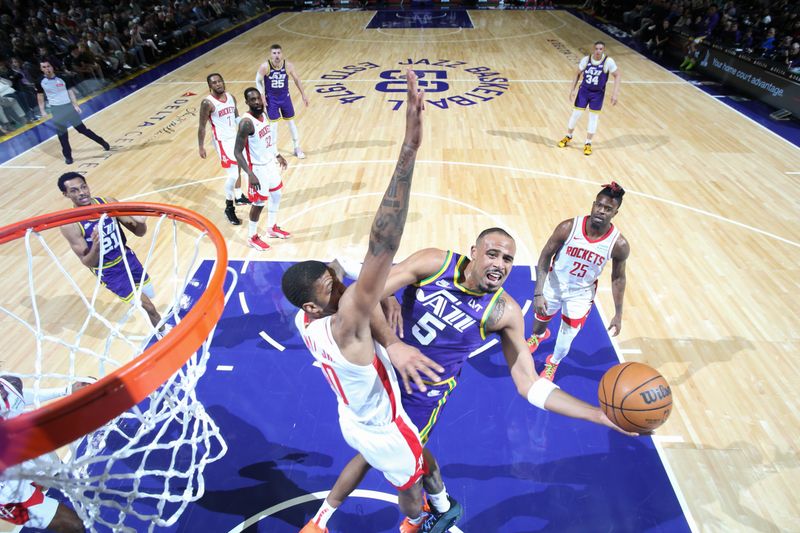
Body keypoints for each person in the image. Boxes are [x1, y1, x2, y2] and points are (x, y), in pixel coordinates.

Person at [306, 222, 639, 532]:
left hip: (422, 396)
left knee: (392, 463)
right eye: (492, 253)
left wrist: (597, 414)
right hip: (382, 375)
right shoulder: (435, 263)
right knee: (384, 451)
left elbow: (529, 383)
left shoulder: (503, 312)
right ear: (474, 251)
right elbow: (368, 291)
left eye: (508, 259)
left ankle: (411, 520)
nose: (500, 264)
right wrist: (390, 307)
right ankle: (436, 504)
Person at [283, 70, 462, 533]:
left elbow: (343, 271)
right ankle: (414, 523)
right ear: (314, 306)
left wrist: (376, 309)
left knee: (373, 457)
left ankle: (320, 521)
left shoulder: (308, 323)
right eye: (330, 287)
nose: (340, 286)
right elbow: (381, 245)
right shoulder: (347, 321)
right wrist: (409, 149)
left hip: (352, 418)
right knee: (411, 480)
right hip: (385, 425)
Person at [527, 182, 630, 382]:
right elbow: (545, 256)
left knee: (567, 336)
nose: (601, 211)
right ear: (593, 204)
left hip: (581, 294)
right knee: (540, 318)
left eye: (608, 209)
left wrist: (618, 314)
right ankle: (538, 336)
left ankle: (553, 363)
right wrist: (538, 292)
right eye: (599, 205)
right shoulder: (568, 227)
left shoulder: (618, 244)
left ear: (615, 213)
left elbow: (618, 278)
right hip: (555, 283)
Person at [58, 173, 163, 330]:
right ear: (66, 194)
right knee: (149, 307)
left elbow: (139, 232)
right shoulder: (70, 225)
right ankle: (163, 332)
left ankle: (155, 319)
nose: (81, 193)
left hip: (127, 257)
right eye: (74, 191)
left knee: (150, 293)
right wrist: (96, 246)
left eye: (83, 187)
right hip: (109, 271)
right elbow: (87, 262)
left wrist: (140, 223)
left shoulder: (108, 203)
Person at [1, 375, 89, 532]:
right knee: (72, 524)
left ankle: (44, 481)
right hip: (6, 491)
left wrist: (67, 391)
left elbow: (16, 398)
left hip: (11, 455)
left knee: (58, 475)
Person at [233, 87, 291, 251]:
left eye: (258, 98)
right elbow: (237, 152)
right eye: (252, 100)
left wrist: (277, 154)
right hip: (257, 170)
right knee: (259, 204)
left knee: (277, 194)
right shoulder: (246, 123)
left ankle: (271, 228)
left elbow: (268, 139)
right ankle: (252, 237)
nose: (257, 102)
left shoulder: (263, 114)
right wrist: (249, 174)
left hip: (269, 164)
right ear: (247, 102)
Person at [197, 72, 250, 226]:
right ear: (210, 86)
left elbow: (236, 117)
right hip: (221, 141)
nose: (218, 84)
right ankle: (229, 207)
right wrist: (201, 146)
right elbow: (201, 127)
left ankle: (239, 196)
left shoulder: (231, 97)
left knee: (239, 166)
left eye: (220, 81)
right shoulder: (207, 103)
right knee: (233, 174)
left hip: (234, 137)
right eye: (214, 82)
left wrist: (246, 127)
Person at [36, 61, 110, 165]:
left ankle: (102, 142)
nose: (47, 68)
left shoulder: (63, 77)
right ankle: (68, 157)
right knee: (62, 136)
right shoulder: (40, 81)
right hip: (56, 110)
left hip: (68, 107)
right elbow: (40, 96)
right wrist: (42, 111)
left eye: (48, 66)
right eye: (44, 67)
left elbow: (70, 92)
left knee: (82, 130)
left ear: (52, 67)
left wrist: (75, 105)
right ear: (41, 69)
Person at [556, 41, 621, 156]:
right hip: (584, 92)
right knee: (576, 114)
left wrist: (615, 93)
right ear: (593, 49)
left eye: (601, 49)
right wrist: (572, 89)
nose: (598, 51)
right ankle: (568, 136)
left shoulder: (608, 61)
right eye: (596, 48)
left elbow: (617, 75)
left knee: (593, 117)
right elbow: (577, 73)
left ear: (604, 50)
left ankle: (588, 143)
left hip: (597, 94)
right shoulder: (586, 60)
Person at [255, 44, 309, 159]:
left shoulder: (288, 66)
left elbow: (297, 79)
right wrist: (262, 96)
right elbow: (258, 81)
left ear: (282, 53)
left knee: (291, 123)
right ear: (271, 54)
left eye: (278, 53)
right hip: (272, 99)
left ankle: (297, 147)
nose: (276, 55)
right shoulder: (265, 66)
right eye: (274, 53)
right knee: (273, 126)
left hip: (285, 98)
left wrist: (303, 94)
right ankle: (274, 151)